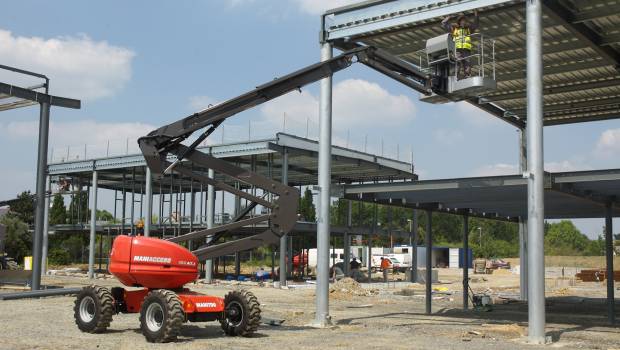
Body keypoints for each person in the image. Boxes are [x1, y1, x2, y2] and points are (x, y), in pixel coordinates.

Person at [441, 10, 479, 78]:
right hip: (457, 49)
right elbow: (444, 23)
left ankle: (467, 76)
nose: (463, 22)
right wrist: (449, 17)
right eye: (462, 20)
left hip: (466, 50)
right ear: (459, 21)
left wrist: (476, 15)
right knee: (457, 63)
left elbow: (475, 24)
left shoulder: (468, 29)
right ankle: (455, 77)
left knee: (467, 65)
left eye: (464, 20)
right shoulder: (454, 29)